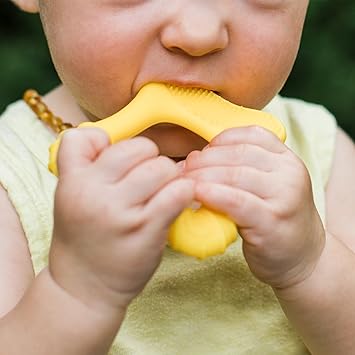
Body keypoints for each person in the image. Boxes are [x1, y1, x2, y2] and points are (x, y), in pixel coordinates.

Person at [1, 0, 355, 354]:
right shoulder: (11, 175)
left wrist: (311, 264)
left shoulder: (320, 150)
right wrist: (77, 291)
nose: (198, 34)